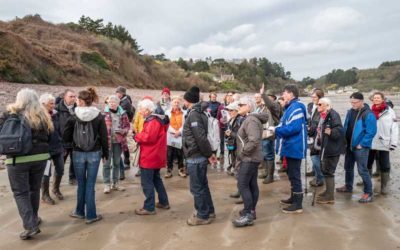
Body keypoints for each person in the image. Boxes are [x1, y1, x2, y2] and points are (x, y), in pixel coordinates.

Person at [0, 88, 53, 240]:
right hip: (40, 158)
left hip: (17, 159)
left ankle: (30, 226)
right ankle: (34, 219)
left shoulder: (10, 114)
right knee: (34, 190)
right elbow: (50, 136)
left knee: (20, 193)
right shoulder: (42, 116)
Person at [63, 87, 108, 224]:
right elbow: (104, 137)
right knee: (90, 185)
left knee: (81, 184)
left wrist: (70, 147)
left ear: (81, 102)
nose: (76, 101)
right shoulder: (98, 116)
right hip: (94, 153)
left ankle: (79, 212)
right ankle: (91, 215)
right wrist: (105, 153)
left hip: (78, 153)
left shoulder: (73, 116)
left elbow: (66, 136)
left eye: (77, 99)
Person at [182, 86, 216, 226]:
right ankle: (209, 211)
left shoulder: (194, 114)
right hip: (198, 155)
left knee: (197, 188)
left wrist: (209, 154)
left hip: (195, 156)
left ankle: (202, 215)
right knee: (203, 186)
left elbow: (201, 138)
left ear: (187, 100)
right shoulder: (197, 112)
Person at [272, 84, 308, 214]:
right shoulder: (291, 107)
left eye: (285, 93)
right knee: (291, 173)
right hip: (290, 146)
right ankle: (294, 198)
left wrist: (276, 130)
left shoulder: (296, 107)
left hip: (295, 146)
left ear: (292, 94)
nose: (283, 95)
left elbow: (294, 128)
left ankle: (298, 204)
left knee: (295, 174)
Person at [232, 97, 267, 227]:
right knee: (251, 185)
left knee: (242, 185)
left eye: (241, 105)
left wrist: (242, 153)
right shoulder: (250, 118)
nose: (238, 107)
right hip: (251, 157)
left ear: (249, 106)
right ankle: (251, 211)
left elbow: (254, 140)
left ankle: (248, 214)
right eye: (239, 105)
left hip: (250, 158)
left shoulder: (251, 120)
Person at [336, 92, 377, 203]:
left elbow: (371, 132)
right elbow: (346, 126)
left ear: (362, 101)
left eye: (355, 102)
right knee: (348, 167)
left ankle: (368, 193)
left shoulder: (368, 114)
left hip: (360, 147)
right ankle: (348, 186)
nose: (353, 104)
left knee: (362, 170)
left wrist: (362, 144)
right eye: (351, 102)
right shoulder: (350, 112)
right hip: (349, 145)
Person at [133, 99, 170, 215]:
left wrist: (136, 136)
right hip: (155, 155)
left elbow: (148, 138)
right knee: (156, 179)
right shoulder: (157, 119)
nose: (139, 111)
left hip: (150, 156)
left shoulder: (152, 121)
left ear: (148, 110)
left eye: (141, 109)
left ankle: (149, 207)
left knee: (147, 182)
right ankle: (164, 202)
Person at [313, 98, 344, 204]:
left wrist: (331, 132)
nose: (318, 105)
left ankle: (330, 197)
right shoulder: (324, 115)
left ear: (327, 105)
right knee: (325, 170)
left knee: (329, 171)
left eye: (320, 104)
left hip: (332, 149)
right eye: (317, 104)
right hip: (325, 147)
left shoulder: (333, 115)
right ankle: (328, 191)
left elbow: (339, 130)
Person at [368, 92, 398, 194]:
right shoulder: (369, 111)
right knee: (368, 163)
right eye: (374, 98)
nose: (376, 99)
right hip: (370, 141)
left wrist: (393, 142)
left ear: (382, 99)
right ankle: (368, 186)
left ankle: (384, 187)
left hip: (384, 141)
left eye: (378, 98)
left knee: (385, 164)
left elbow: (394, 128)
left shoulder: (390, 111)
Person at [39, 93, 65, 204]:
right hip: (45, 150)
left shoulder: (56, 114)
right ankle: (45, 195)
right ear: (43, 104)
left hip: (57, 147)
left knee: (60, 169)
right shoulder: (38, 115)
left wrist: (61, 142)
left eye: (54, 103)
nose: (53, 105)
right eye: (51, 103)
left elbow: (59, 130)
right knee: (46, 174)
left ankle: (55, 189)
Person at [102, 95, 130, 194]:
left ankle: (115, 183)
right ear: (108, 103)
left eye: (114, 102)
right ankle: (106, 184)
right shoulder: (104, 113)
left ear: (118, 103)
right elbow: (99, 128)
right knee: (106, 164)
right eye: (110, 102)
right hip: (107, 142)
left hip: (118, 142)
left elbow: (127, 126)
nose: (112, 104)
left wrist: (123, 131)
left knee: (117, 163)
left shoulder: (123, 114)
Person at [55, 89, 77, 185]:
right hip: (62, 141)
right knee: (60, 164)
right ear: (64, 97)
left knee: (74, 161)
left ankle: (72, 178)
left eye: (74, 96)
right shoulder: (57, 109)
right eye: (70, 96)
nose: (73, 98)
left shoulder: (78, 108)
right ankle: (56, 183)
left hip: (75, 140)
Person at [165, 96, 187, 178]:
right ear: (171, 103)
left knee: (180, 154)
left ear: (180, 103)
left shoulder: (184, 113)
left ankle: (181, 169)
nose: (176, 104)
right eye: (175, 102)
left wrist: (179, 132)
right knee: (169, 154)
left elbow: (185, 124)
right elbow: (166, 124)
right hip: (171, 136)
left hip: (179, 136)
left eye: (178, 102)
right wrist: (174, 132)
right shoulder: (167, 112)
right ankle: (169, 170)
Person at [307, 89, 325, 187]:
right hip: (310, 134)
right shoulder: (310, 105)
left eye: (315, 97)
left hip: (318, 135)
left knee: (315, 156)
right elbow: (308, 118)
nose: (313, 98)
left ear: (320, 98)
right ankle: (315, 172)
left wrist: (310, 129)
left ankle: (320, 178)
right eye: (312, 97)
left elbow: (318, 122)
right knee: (313, 155)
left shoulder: (322, 106)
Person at [115, 86, 134, 173]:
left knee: (124, 144)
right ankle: (122, 162)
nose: (116, 94)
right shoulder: (123, 100)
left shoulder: (125, 102)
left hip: (124, 126)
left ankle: (127, 163)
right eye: (116, 92)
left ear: (122, 93)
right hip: (121, 125)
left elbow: (118, 111)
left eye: (118, 93)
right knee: (122, 144)